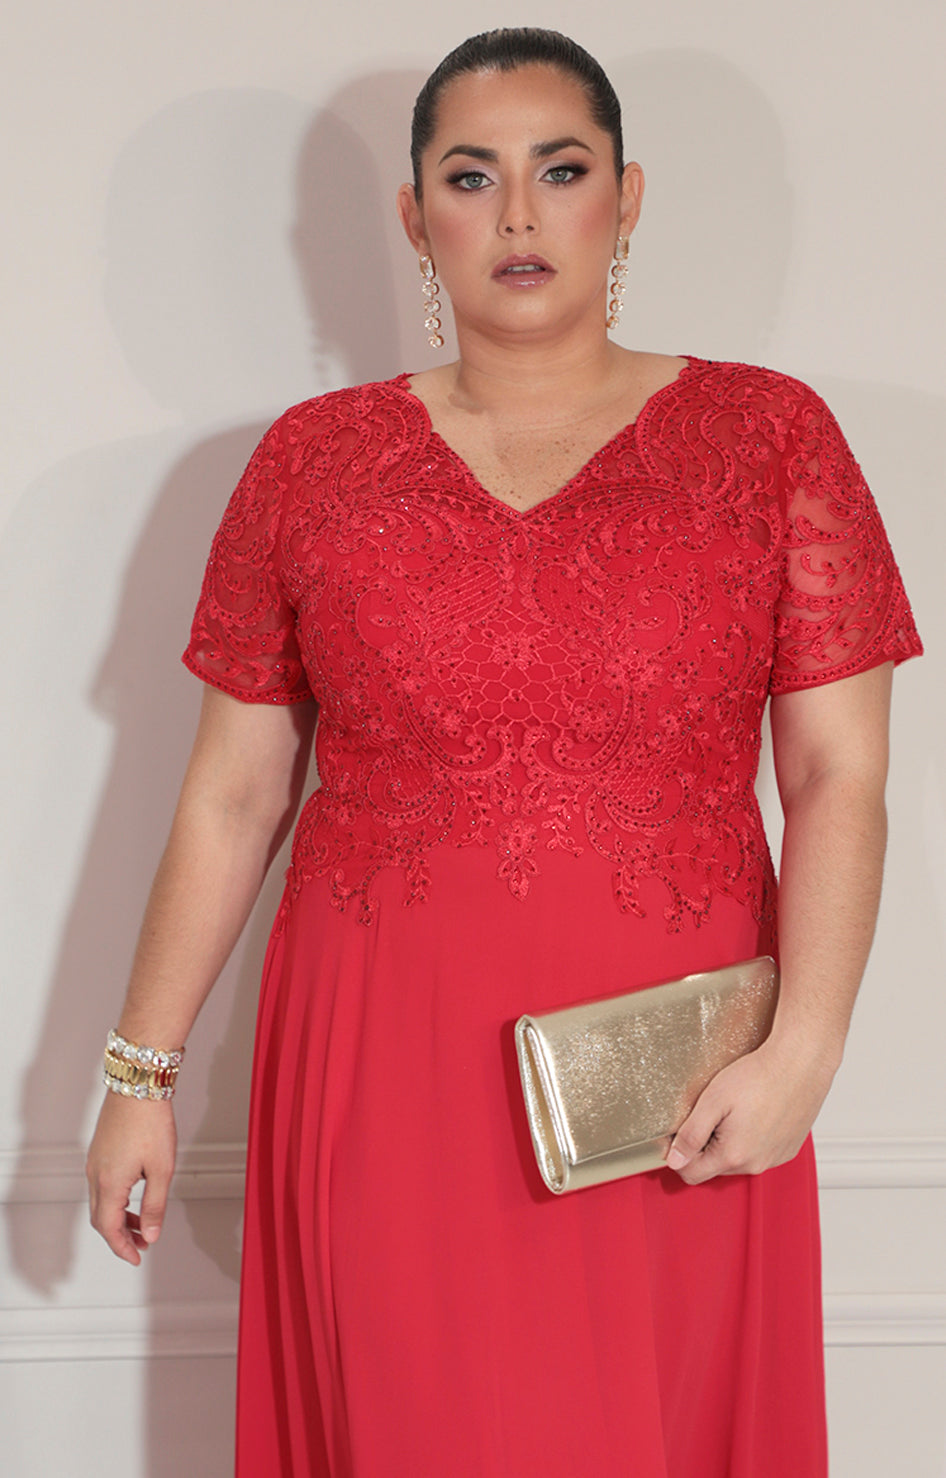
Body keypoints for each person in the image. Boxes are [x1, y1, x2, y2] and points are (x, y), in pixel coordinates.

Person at [86, 27, 922, 1478]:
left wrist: (809, 1046)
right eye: (471, 178)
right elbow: (233, 792)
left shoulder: (771, 437)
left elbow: (837, 776)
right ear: (416, 218)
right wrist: (137, 1071)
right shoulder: (310, 462)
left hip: (675, 1081)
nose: (519, 214)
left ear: (628, 196)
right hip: (383, 1062)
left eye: (562, 170)